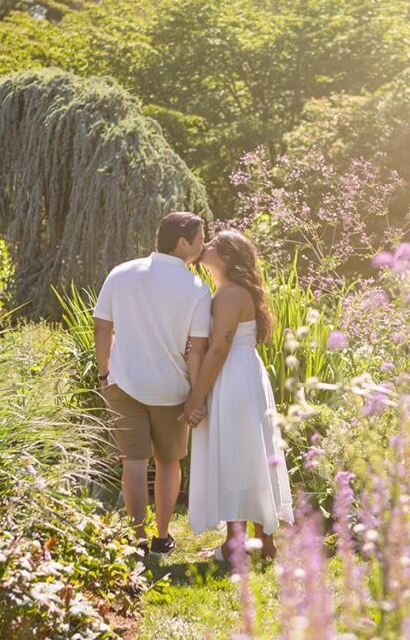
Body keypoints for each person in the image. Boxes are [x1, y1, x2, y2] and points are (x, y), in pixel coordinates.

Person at [93, 212, 211, 555]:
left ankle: (137, 539)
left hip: (123, 383)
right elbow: (198, 350)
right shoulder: (196, 289)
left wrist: (105, 373)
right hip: (170, 389)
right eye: (200, 238)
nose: (203, 245)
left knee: (133, 461)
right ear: (183, 242)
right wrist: (196, 395)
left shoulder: (121, 273)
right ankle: (161, 537)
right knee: (168, 462)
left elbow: (102, 326)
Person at [184, 229, 294, 562]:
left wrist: (196, 398)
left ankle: (236, 546)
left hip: (233, 376)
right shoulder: (230, 291)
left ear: (228, 257)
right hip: (245, 374)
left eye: (215, 244)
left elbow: (218, 349)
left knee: (236, 452)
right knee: (252, 451)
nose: (207, 246)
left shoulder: (230, 295)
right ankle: (264, 543)